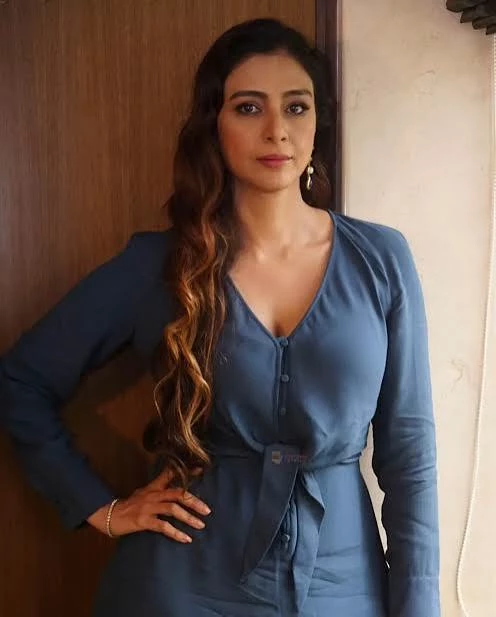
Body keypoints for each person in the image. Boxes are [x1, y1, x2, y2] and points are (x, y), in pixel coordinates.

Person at [0, 17, 440, 617]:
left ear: (319, 124)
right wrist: (100, 509)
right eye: (248, 107)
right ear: (215, 124)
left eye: (296, 107)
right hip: (180, 585)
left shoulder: (381, 261)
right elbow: (22, 381)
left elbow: (410, 458)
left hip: (341, 586)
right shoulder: (157, 266)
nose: (276, 130)